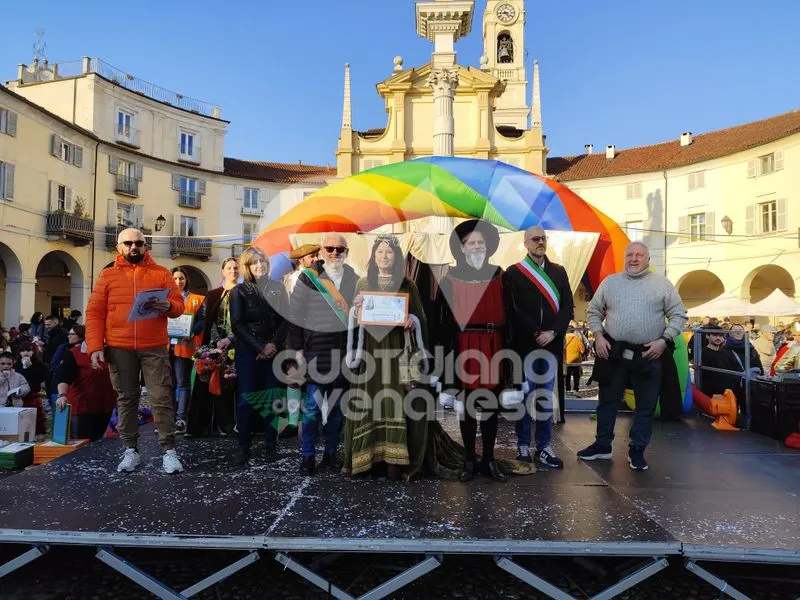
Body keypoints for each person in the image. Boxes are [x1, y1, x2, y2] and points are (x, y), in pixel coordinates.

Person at [579, 241, 687, 471]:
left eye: (639, 255)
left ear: (648, 260)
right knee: (607, 402)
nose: (634, 259)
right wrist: (598, 335)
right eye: (630, 255)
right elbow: (593, 310)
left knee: (646, 406)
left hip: (650, 353)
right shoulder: (610, 283)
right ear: (624, 258)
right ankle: (602, 445)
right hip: (613, 352)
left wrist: (664, 340)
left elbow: (679, 315)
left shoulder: (662, 285)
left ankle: (637, 450)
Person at [85, 228, 185, 474]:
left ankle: (169, 451)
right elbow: (94, 313)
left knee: (161, 397)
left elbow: (179, 306)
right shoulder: (107, 276)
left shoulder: (161, 273)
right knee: (126, 399)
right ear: (119, 247)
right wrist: (96, 347)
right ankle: (130, 450)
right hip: (119, 346)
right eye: (128, 243)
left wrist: (169, 305)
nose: (133, 247)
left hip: (154, 346)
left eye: (138, 243)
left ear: (145, 246)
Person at [343, 236, 430, 479]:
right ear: (373, 256)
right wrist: (356, 308)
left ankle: (395, 460)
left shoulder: (407, 285)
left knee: (395, 401)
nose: (384, 256)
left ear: (396, 257)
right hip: (370, 351)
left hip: (397, 353)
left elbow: (421, 318)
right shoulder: (362, 284)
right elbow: (352, 318)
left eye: (389, 253)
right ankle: (367, 460)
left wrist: (413, 321)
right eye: (380, 252)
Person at [433, 220, 509, 483]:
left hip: (494, 345)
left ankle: (488, 459)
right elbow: (440, 324)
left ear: (487, 248)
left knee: (490, 407)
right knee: (466, 408)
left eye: (480, 243)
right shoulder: (450, 280)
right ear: (462, 249)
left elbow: (511, 315)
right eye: (470, 243)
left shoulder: (501, 275)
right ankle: (468, 460)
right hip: (463, 347)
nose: (476, 247)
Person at [289, 233, 359, 475]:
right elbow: (295, 317)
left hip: (343, 353)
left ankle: (330, 454)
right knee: (311, 410)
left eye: (340, 250)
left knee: (338, 410)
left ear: (346, 252)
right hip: (315, 352)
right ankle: (307, 457)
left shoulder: (354, 278)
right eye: (330, 249)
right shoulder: (309, 278)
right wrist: (297, 352)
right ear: (321, 251)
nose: (335, 253)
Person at [505, 225, 573, 468]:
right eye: (535, 239)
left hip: (551, 346)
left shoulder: (559, 272)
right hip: (525, 346)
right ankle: (523, 444)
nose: (540, 242)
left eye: (543, 238)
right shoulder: (513, 273)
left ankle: (543, 446)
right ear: (525, 243)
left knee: (545, 397)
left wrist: (553, 332)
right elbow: (513, 310)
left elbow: (568, 307)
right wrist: (536, 332)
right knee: (523, 398)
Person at [230, 248, 289, 466]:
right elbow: (237, 324)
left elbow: (285, 319)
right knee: (246, 400)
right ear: (247, 266)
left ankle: (271, 445)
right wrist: (259, 347)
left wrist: (273, 345)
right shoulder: (239, 291)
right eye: (254, 263)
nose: (259, 265)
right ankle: (243, 446)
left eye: (262, 261)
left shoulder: (278, 288)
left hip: (273, 351)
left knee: (273, 399)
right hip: (248, 352)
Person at [186, 258, 239, 437]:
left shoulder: (244, 292)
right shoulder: (213, 294)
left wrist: (230, 339)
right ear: (223, 271)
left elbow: (244, 322)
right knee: (205, 384)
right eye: (229, 268)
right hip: (213, 346)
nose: (233, 270)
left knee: (228, 385)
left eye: (236, 268)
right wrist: (217, 340)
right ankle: (202, 426)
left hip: (236, 346)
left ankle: (227, 426)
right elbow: (207, 319)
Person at [55, 325, 117, 441]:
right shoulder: (74, 353)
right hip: (82, 407)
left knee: (98, 440)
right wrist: (62, 395)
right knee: (81, 442)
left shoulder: (110, 352)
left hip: (105, 406)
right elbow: (64, 377)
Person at [169, 267, 205, 435]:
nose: (178, 282)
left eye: (181, 278)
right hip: (164, 346)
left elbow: (201, 321)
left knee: (183, 382)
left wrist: (191, 331)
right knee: (167, 384)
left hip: (184, 346)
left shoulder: (196, 299)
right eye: (175, 278)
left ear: (186, 280)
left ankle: (181, 418)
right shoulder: (164, 298)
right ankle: (168, 420)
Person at [698, 326, 744, 401]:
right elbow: (707, 378)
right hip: (713, 395)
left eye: (720, 336)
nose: (718, 338)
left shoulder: (725, 353)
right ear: (707, 336)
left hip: (728, 393)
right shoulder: (703, 354)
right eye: (715, 335)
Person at [15, 342, 49, 434]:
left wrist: (30, 368)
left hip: (33, 394)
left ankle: (38, 433)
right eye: (22, 351)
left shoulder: (40, 364)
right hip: (18, 395)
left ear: (33, 351)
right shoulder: (16, 365)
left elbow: (44, 377)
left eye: (28, 350)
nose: (25, 352)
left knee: (36, 417)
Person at [564, 327, 585, 393]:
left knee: (567, 375)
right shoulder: (577, 339)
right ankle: (576, 388)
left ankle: (568, 388)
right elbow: (582, 350)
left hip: (566, 360)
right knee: (576, 376)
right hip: (576, 361)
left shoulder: (564, 338)